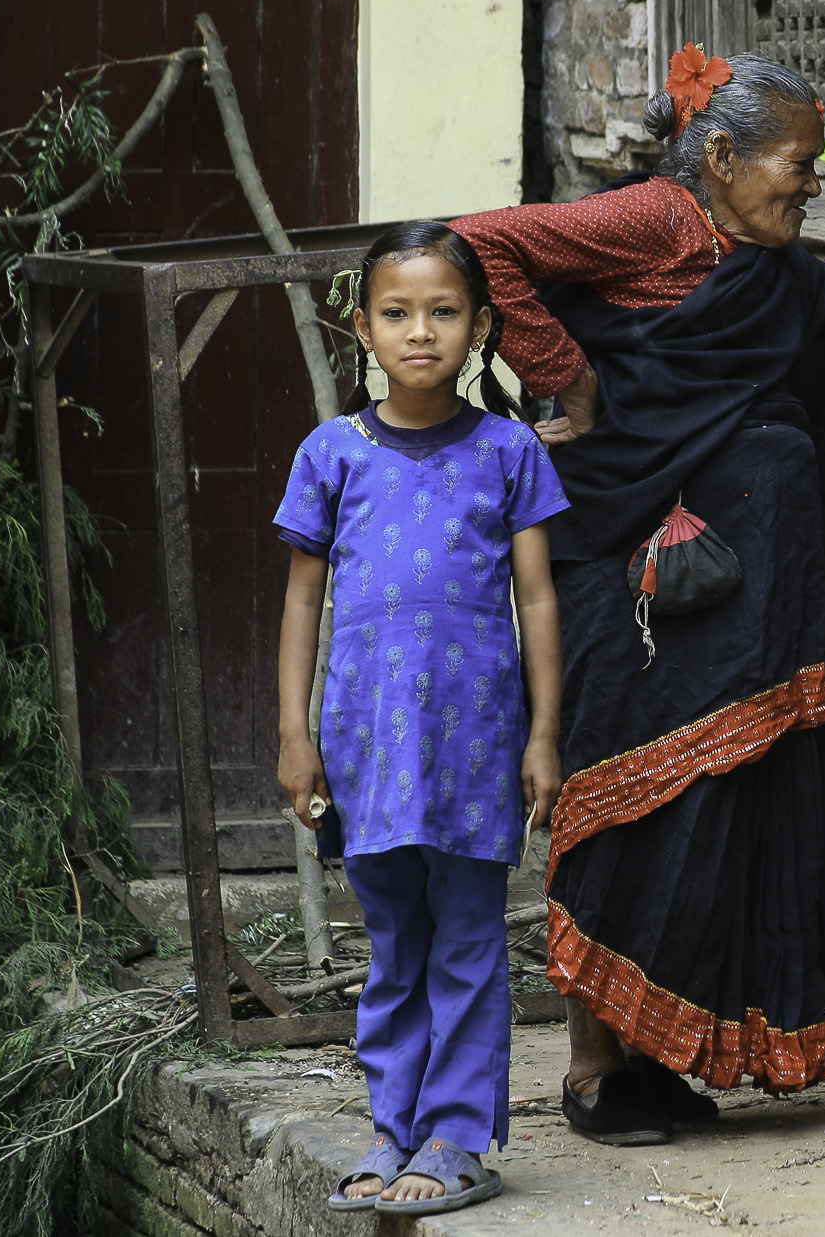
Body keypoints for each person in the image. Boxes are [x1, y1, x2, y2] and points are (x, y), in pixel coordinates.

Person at [447, 48, 825, 1142]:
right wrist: (569, 376)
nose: (812, 185)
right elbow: (481, 242)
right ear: (722, 156)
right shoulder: (657, 219)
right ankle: (592, 1070)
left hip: (746, 588)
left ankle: (663, 1055)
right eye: (799, 164)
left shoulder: (774, 266)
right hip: (625, 561)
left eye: (822, 165)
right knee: (625, 796)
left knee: (722, 806)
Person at [277, 222, 570, 1216]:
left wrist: (542, 734)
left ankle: (456, 1138)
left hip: (475, 745)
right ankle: (392, 1127)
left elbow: (537, 600)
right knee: (394, 944)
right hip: (366, 745)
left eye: (443, 312)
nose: (419, 332)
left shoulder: (507, 451)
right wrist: (295, 735)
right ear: (362, 329)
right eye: (396, 313)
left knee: (468, 941)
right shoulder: (331, 454)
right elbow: (302, 604)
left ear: (480, 327)